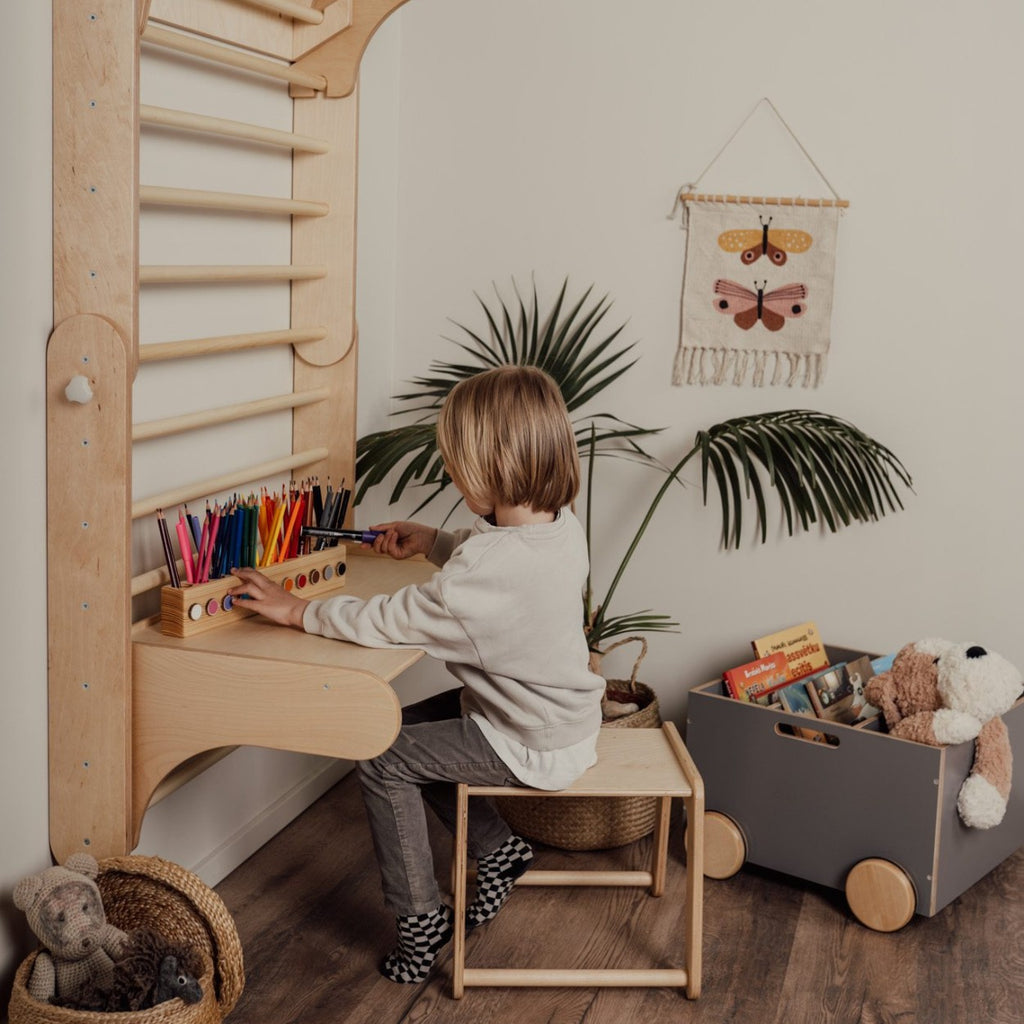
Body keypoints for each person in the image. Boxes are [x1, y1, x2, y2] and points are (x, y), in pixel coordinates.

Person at [229, 365, 606, 984]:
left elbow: (392, 617)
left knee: (380, 755)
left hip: (530, 740)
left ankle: (419, 920)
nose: (451, 476)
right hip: (554, 716)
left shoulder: (483, 571)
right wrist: (434, 540)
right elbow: (492, 561)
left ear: (493, 463)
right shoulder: (559, 525)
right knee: (397, 730)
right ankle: (500, 851)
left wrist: (296, 610)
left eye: (455, 465)